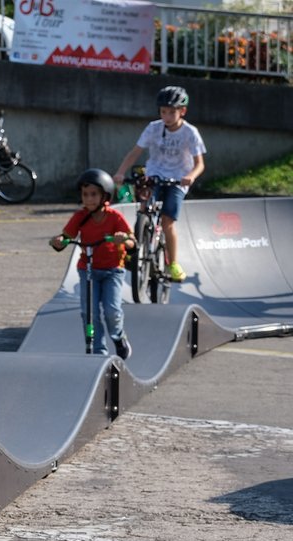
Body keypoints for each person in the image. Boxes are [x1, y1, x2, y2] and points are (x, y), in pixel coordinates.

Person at [112, 85, 206, 283]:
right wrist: (120, 172)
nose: (167, 116)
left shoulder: (190, 133)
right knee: (144, 210)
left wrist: (191, 176)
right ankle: (133, 251)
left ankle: (173, 263)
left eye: (172, 112)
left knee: (167, 221)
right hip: (155, 175)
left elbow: (199, 164)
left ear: (182, 111)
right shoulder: (153, 128)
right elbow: (135, 152)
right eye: (163, 112)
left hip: (178, 179)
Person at [49, 169, 135, 359]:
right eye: (85, 195)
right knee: (89, 313)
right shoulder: (80, 217)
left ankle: (119, 337)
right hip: (87, 270)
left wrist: (123, 240)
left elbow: (132, 242)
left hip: (113, 270)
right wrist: (59, 240)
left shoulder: (114, 217)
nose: (89, 199)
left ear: (105, 195)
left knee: (112, 311)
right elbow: (67, 236)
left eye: (94, 194)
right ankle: (98, 351)